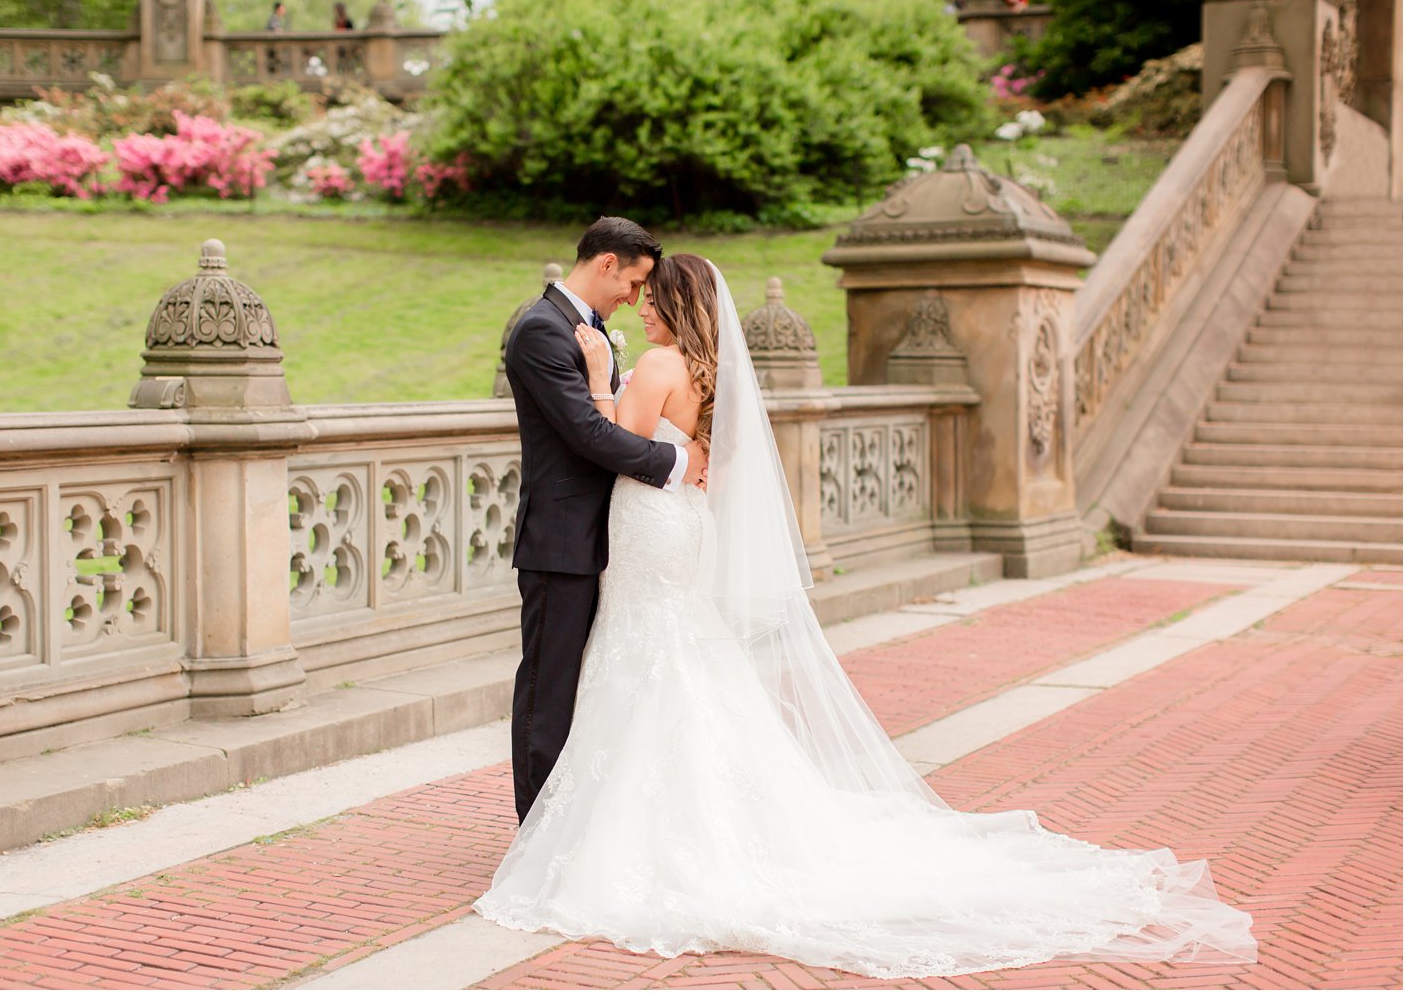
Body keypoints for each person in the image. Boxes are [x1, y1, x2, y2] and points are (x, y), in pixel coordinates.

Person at [474, 253, 1258, 980]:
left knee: (648, 657)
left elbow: (614, 439)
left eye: (654, 299)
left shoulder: (653, 363)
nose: (642, 309)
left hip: (650, 524)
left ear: (678, 306)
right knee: (674, 655)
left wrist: (602, 375)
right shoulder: (708, 373)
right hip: (678, 528)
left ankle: (621, 834)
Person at [502, 217, 708, 826]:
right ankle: (535, 831)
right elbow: (591, 436)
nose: (637, 299)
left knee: (598, 686)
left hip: (619, 540)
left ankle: (581, 824)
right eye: (636, 282)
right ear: (607, 264)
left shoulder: (588, 331)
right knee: (549, 688)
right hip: (562, 540)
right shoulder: (542, 331)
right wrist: (678, 460)